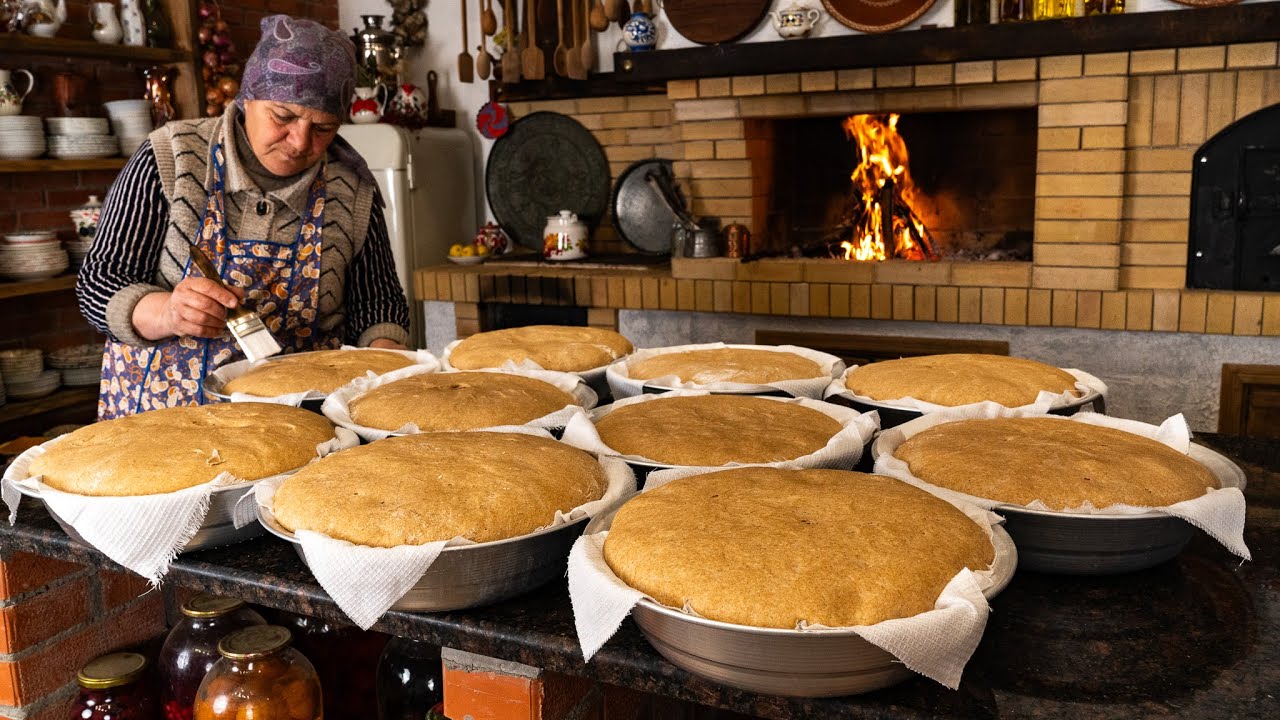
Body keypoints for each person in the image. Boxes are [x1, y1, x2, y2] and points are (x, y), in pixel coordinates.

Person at [77, 15, 411, 420]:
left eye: (322, 128)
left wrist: (391, 363)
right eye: (283, 117)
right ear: (246, 97)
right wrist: (167, 312)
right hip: (162, 423)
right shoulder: (171, 157)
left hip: (299, 425)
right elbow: (99, 282)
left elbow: (379, 305)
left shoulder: (351, 191)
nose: (300, 142)